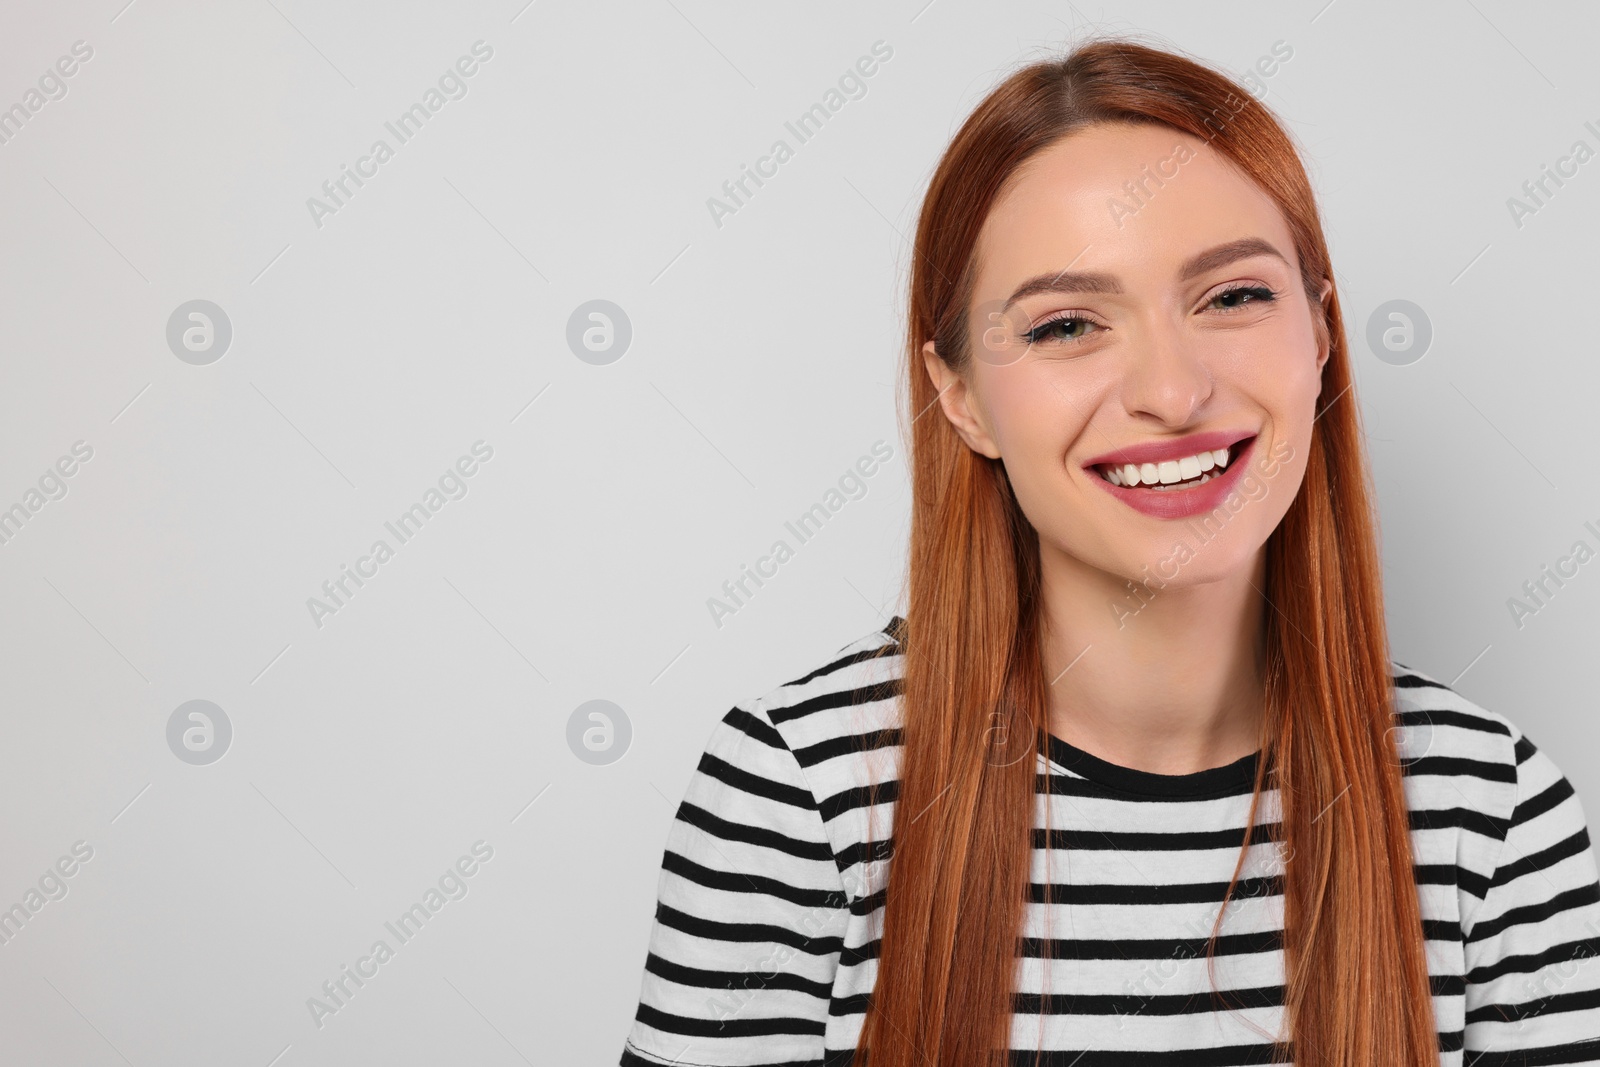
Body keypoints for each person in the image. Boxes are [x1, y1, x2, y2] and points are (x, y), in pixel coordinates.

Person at [619, 35, 1600, 1067]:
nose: (1172, 392)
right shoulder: (799, 797)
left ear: (1319, 338)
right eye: (1066, 324)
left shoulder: (1487, 811)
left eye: (1231, 297)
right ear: (960, 396)